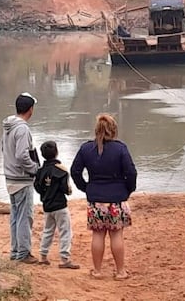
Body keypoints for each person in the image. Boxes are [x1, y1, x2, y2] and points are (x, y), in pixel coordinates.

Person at [70, 114, 137, 280]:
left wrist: (86, 188)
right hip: (117, 200)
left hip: (96, 200)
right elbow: (131, 172)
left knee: (98, 235)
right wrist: (128, 190)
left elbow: (75, 171)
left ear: (96, 130)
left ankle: (98, 271)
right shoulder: (121, 148)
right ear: (113, 130)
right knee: (117, 235)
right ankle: (121, 272)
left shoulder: (86, 149)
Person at [1, 93, 41, 263]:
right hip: (21, 179)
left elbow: (5, 150)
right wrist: (35, 169)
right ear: (30, 109)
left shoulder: (8, 126)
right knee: (25, 216)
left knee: (16, 215)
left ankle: (16, 251)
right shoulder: (22, 128)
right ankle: (23, 253)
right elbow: (22, 155)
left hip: (10, 177)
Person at [34, 141, 80, 269]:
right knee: (65, 231)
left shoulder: (40, 171)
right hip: (60, 206)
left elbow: (37, 187)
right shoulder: (61, 170)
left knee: (47, 231)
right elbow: (67, 190)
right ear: (56, 153)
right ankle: (64, 260)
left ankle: (43, 256)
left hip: (47, 206)